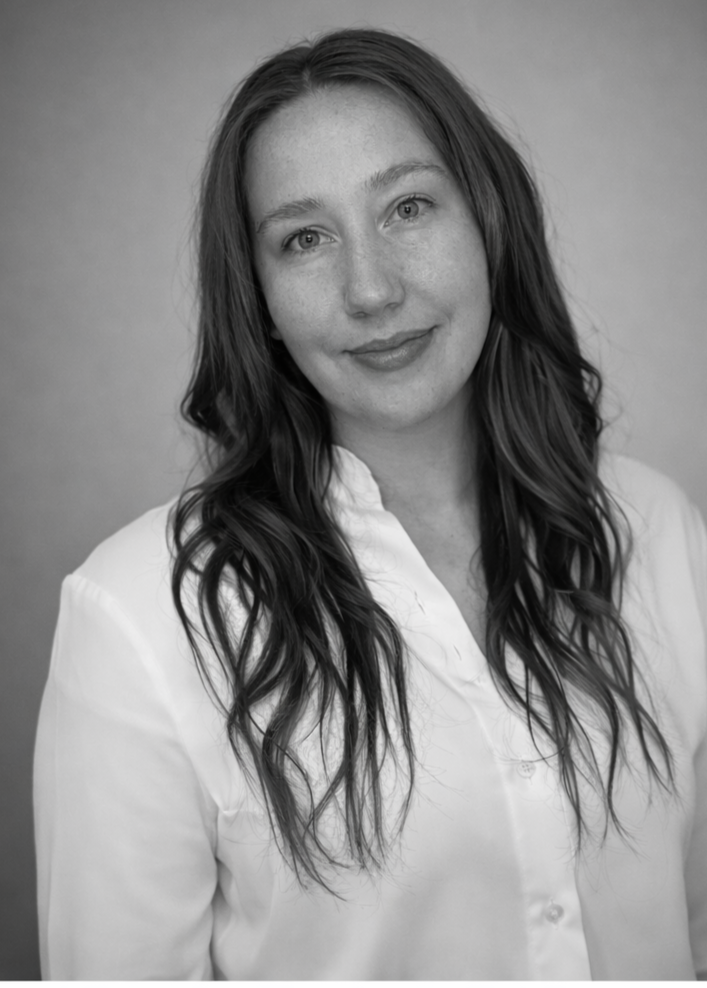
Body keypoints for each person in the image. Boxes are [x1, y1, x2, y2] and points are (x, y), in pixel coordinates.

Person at [34, 27, 707, 980]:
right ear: (259, 298)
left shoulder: (654, 530)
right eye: (303, 239)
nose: (371, 289)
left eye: (408, 207)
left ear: (490, 224)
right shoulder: (139, 614)